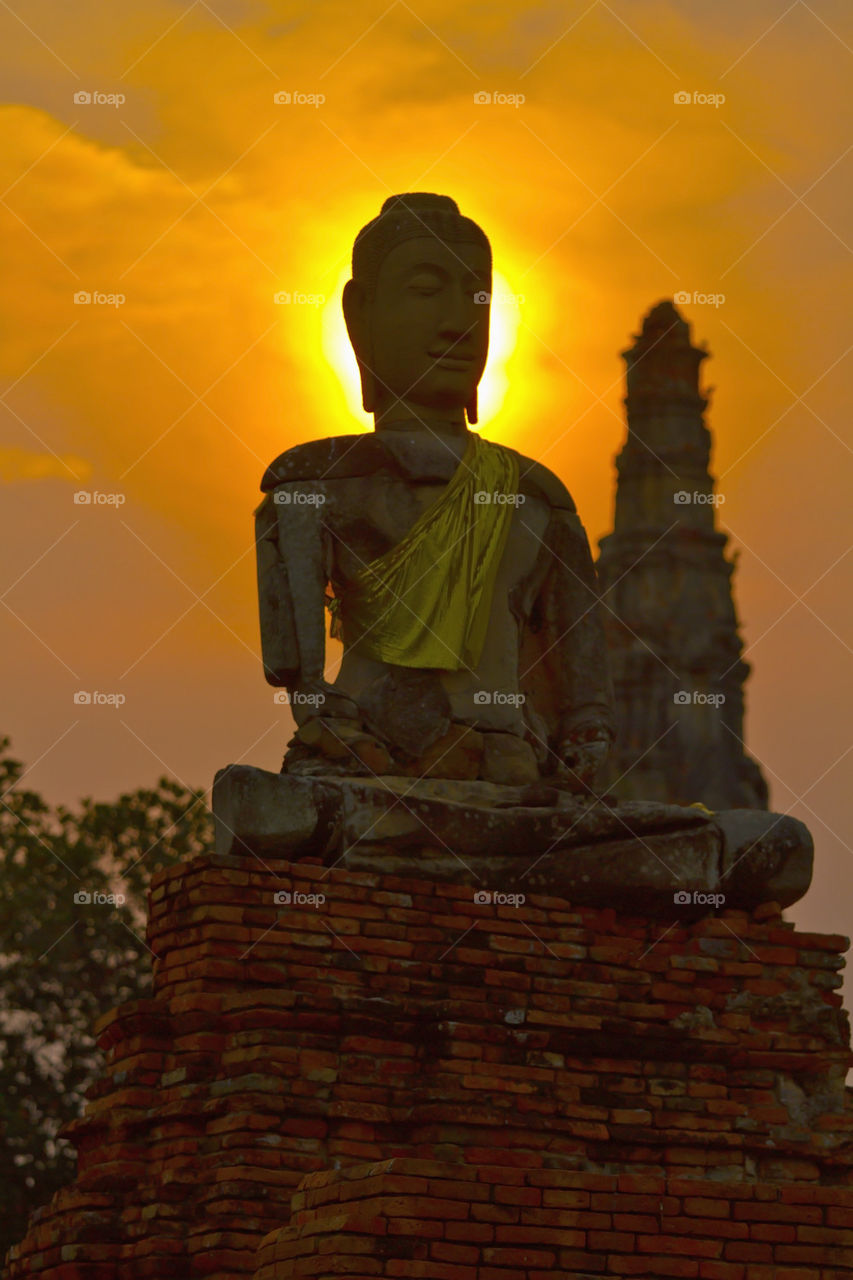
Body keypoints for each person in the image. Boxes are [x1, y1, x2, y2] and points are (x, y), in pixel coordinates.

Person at [255, 193, 614, 788]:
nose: (458, 321)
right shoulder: (313, 482)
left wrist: (584, 745)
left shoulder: (536, 497)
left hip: (510, 774)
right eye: (425, 290)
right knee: (266, 809)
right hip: (359, 767)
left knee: (769, 843)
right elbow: (298, 675)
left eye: (478, 295)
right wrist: (335, 729)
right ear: (358, 316)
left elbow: (584, 707)